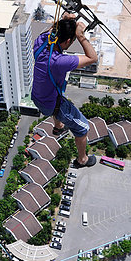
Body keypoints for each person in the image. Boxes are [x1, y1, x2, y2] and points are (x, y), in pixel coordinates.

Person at [31, 13, 98, 168]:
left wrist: (63, 20)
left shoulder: (40, 43)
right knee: (83, 128)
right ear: (68, 41)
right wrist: (81, 36)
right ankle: (82, 160)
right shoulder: (59, 62)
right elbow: (93, 58)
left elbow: (52, 30)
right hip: (51, 104)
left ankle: (58, 127)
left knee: (59, 90)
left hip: (37, 96)